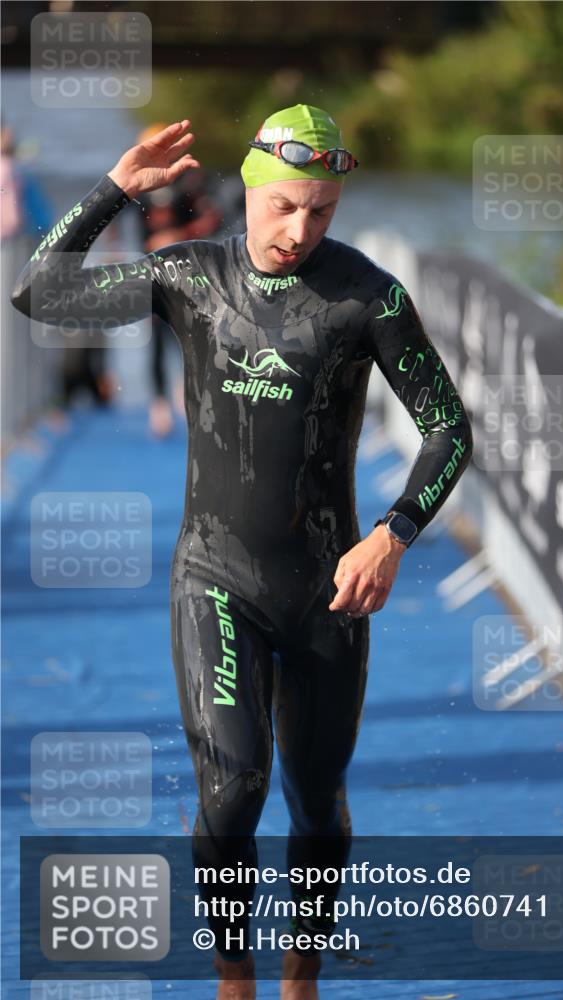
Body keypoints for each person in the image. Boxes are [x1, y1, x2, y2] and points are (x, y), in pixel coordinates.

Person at [11, 106, 473, 1000]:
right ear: (250, 190)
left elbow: (446, 428)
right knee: (233, 787)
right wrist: (115, 188)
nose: (300, 231)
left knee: (314, 798)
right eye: (286, 206)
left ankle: (300, 970)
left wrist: (394, 533)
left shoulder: (365, 297)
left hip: (328, 591)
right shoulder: (190, 275)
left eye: (323, 212)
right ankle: (235, 977)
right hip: (213, 577)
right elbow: (38, 292)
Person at [133, 123, 224, 435]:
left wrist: (179, 235)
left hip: (190, 275)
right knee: (156, 338)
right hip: (154, 272)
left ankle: (187, 393)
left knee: (191, 335)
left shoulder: (189, 182)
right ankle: (159, 405)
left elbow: (214, 220)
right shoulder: (139, 188)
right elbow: (130, 228)